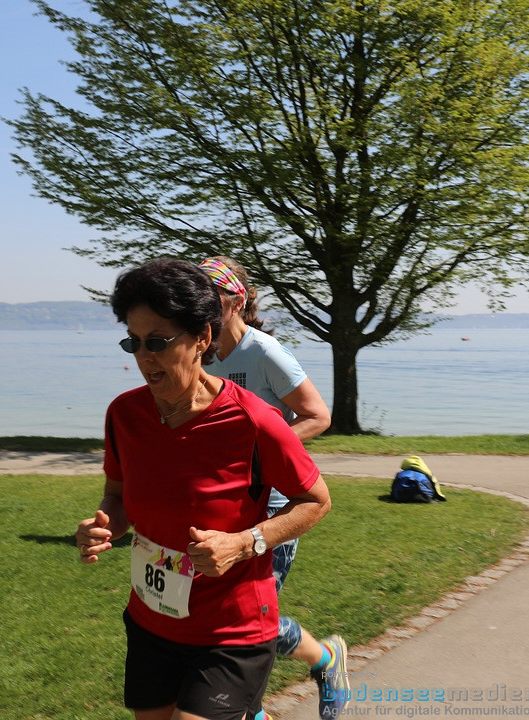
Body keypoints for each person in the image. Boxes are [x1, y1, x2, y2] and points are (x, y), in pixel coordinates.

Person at [76, 258, 333, 720]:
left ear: (202, 339)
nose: (143, 357)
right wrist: (105, 525)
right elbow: (117, 496)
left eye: (157, 341)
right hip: (151, 619)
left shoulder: (255, 421)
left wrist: (245, 542)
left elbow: (315, 501)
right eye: (132, 342)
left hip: (230, 631)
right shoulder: (123, 415)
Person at [198, 256, 346, 720]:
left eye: (210, 295)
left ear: (237, 299)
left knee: (247, 618)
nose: (200, 304)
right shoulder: (202, 354)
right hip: (225, 501)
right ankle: (320, 662)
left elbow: (318, 415)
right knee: (224, 616)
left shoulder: (264, 352)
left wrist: (262, 453)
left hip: (278, 503)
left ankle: (317, 666)